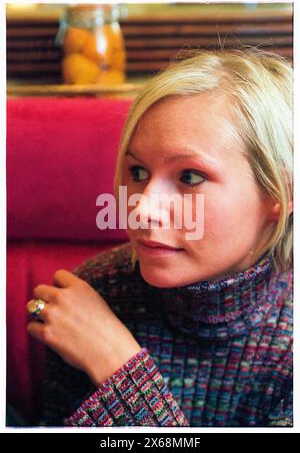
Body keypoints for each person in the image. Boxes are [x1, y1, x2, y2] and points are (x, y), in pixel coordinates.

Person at [27, 49, 293, 427]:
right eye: (137, 171)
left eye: (189, 177)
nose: (142, 209)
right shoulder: (97, 292)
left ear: (280, 193)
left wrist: (118, 368)